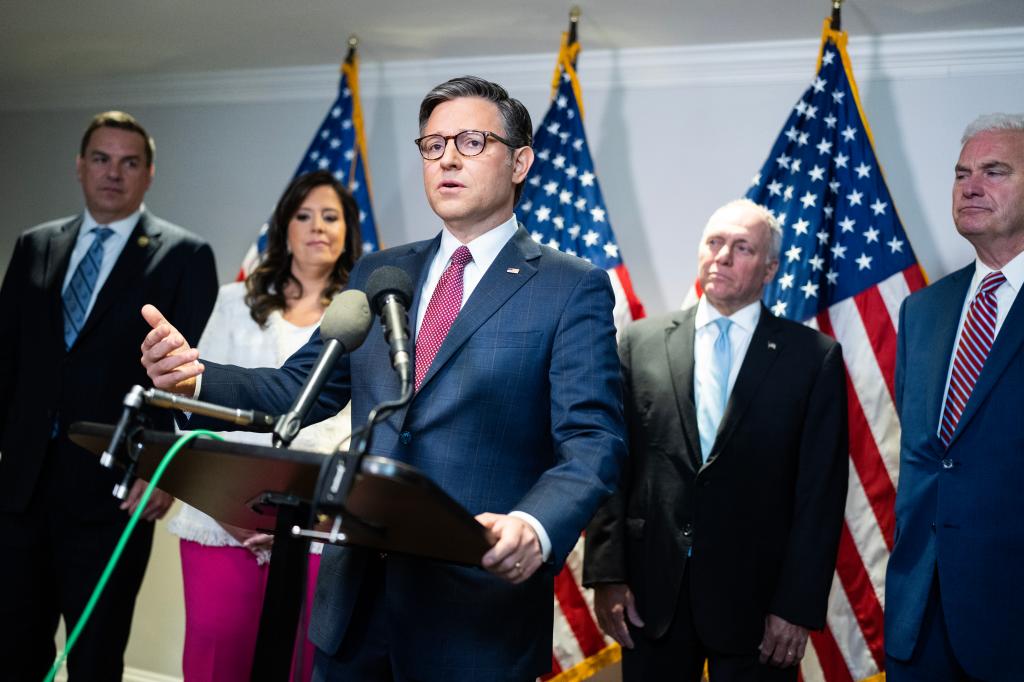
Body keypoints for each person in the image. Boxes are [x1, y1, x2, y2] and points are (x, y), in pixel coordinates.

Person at [139, 76, 626, 682]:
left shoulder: (567, 285)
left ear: (520, 162)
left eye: (471, 141)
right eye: (433, 144)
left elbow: (593, 441)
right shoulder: (379, 270)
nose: (447, 157)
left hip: (473, 611)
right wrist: (194, 378)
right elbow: (297, 389)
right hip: (355, 606)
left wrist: (533, 526)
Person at [584, 198, 848, 682]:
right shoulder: (640, 343)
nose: (722, 256)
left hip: (759, 606)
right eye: (714, 242)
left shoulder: (813, 358)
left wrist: (797, 606)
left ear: (769, 269)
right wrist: (607, 574)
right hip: (651, 598)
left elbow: (821, 494)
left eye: (742, 247)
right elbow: (611, 466)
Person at [0, 111, 218, 681]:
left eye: (129, 162)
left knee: (96, 655)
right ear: (79, 167)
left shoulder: (185, 255)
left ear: (149, 174)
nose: (113, 174)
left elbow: (181, 381)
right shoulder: (35, 244)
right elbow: (7, 361)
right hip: (20, 489)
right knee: (12, 646)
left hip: (115, 489)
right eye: (101, 158)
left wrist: (163, 467)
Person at [167, 170, 362, 681]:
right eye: (303, 215)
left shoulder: (366, 318)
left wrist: (311, 518)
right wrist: (230, 510)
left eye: (330, 216)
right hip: (223, 518)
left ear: (348, 231)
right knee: (218, 658)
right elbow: (195, 407)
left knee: (304, 664)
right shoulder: (234, 303)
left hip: (322, 526)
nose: (317, 227)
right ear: (283, 228)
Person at [884, 113, 1024, 682]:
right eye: (962, 172)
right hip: (919, 620)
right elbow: (924, 460)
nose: (970, 185)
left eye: (995, 171)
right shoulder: (923, 310)